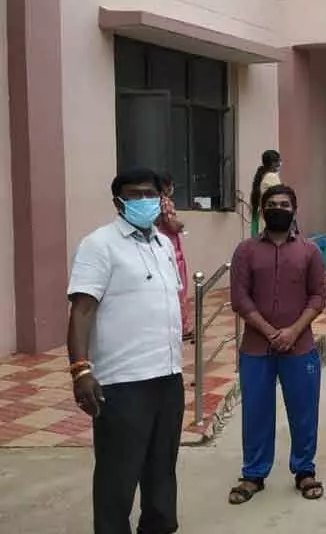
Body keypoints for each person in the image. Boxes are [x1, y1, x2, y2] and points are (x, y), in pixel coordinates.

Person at [67, 167, 185, 534]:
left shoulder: (164, 244)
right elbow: (82, 310)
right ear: (118, 202)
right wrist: (81, 370)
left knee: (161, 473)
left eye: (149, 193)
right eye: (134, 195)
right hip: (123, 384)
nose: (144, 201)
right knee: (118, 479)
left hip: (168, 378)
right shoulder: (99, 244)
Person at [228, 185, 326, 505]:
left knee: (303, 411)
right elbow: (239, 298)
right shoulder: (245, 251)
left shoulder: (310, 251)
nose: (278, 208)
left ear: (294, 209)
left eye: (284, 204)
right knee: (256, 411)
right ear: (262, 210)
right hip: (256, 348)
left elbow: (318, 297)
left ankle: (304, 470)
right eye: (272, 204)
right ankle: (253, 474)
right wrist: (271, 331)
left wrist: (293, 331)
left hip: (300, 347)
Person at [157, 173, 192, 340]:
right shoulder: (165, 202)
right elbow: (171, 224)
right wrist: (180, 225)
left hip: (160, 249)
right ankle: (182, 328)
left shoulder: (152, 203)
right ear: (166, 186)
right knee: (179, 289)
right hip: (172, 250)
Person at [250, 150, 281, 238]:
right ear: (273, 163)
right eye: (278, 161)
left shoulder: (262, 175)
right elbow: (281, 196)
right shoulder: (271, 176)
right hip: (271, 219)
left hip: (263, 217)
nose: (279, 164)